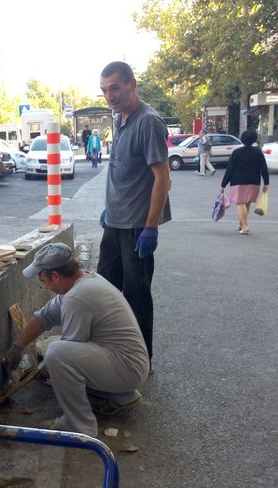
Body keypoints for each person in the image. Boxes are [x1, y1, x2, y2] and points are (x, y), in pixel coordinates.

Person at [1, 243, 149, 437]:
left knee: (56, 353)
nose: (45, 286)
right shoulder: (82, 281)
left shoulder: (77, 297)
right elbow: (43, 317)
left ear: (55, 275)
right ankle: (122, 396)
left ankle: (78, 425)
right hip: (130, 363)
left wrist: (49, 369)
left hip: (127, 367)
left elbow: (69, 352)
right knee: (56, 355)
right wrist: (17, 347)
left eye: (44, 280)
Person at [98, 60, 170, 370]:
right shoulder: (120, 118)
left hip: (135, 228)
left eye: (115, 87)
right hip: (115, 223)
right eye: (104, 90)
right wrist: (110, 208)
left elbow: (162, 178)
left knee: (136, 295)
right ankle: (113, 351)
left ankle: (141, 362)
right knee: (104, 289)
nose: (109, 95)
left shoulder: (148, 122)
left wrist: (150, 227)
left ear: (132, 84)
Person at [219, 129, 269, 235]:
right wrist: (266, 183)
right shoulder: (258, 152)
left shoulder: (237, 153)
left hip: (238, 182)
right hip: (254, 182)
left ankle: (245, 226)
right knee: (247, 202)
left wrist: (223, 185)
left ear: (242, 139)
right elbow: (264, 168)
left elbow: (229, 170)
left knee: (240, 202)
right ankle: (241, 223)